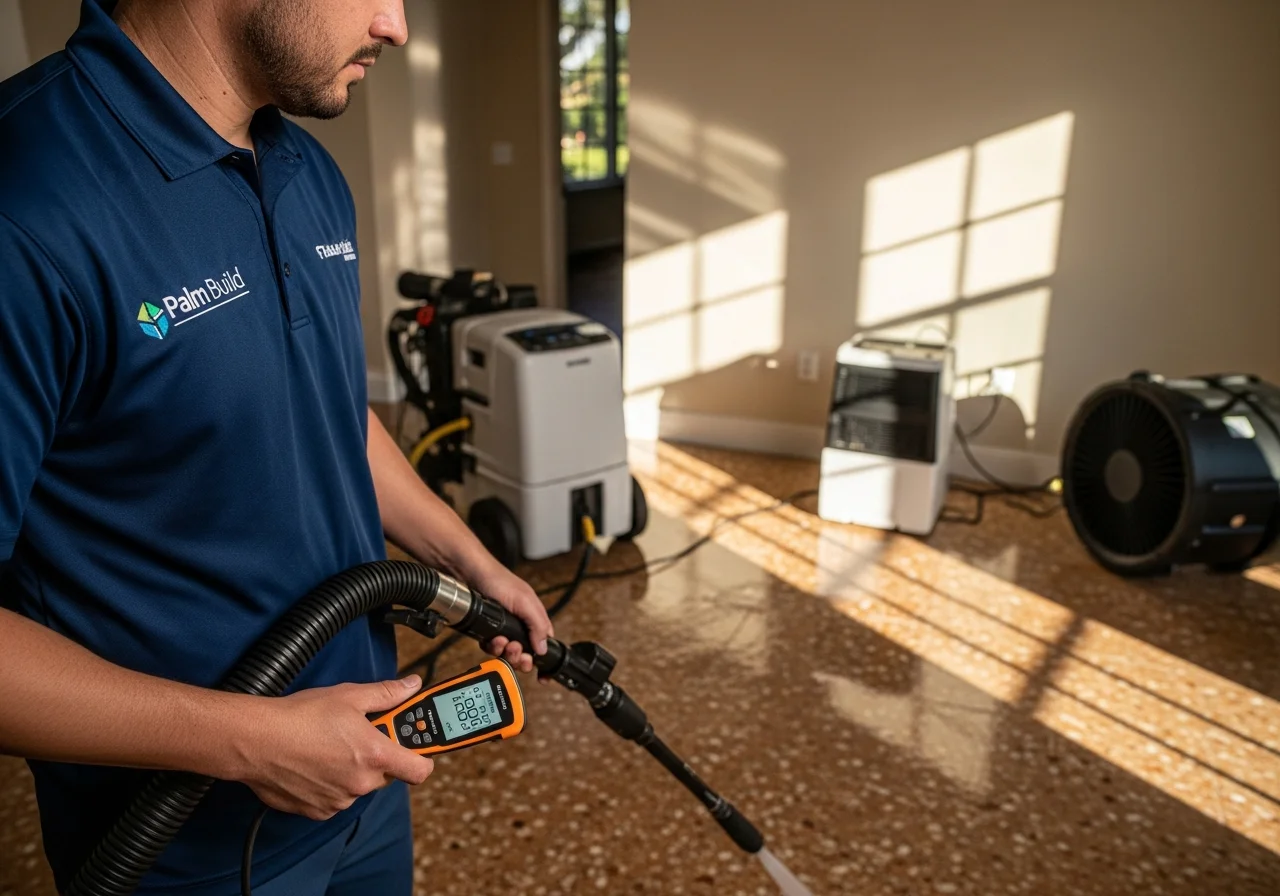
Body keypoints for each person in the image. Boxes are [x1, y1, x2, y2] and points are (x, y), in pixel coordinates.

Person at [0, 0, 554, 892]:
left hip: (362, 778)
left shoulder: (308, 170)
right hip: (176, 844)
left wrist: (468, 562)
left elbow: (328, 410)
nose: (397, 25)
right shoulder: (24, 203)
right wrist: (249, 742)